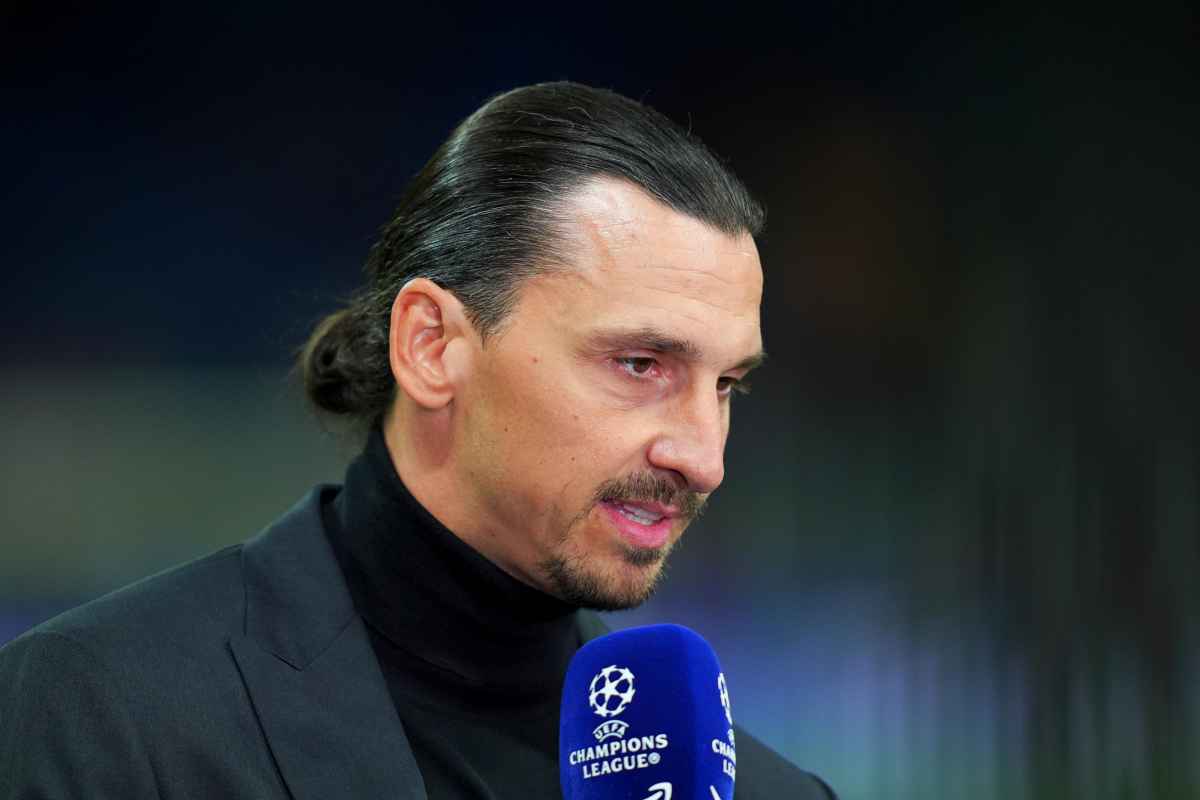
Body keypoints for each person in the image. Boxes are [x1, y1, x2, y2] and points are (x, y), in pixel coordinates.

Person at [0, 82, 834, 798]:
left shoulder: (773, 793)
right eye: (640, 364)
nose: (704, 460)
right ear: (432, 346)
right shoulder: (101, 715)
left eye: (726, 385)